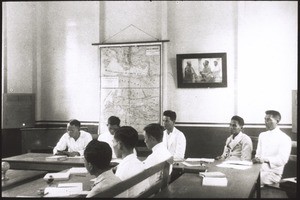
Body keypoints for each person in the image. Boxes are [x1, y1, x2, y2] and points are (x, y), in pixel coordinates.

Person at [252, 110, 292, 187]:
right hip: (258, 170)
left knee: (250, 181)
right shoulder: (262, 135)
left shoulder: (285, 138)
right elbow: (258, 154)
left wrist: (264, 160)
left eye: (269, 120)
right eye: (265, 119)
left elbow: (282, 159)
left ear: (277, 121)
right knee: (242, 176)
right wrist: (256, 159)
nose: (266, 122)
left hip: (273, 173)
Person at [113, 126, 150, 197]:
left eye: (113, 141)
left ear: (120, 144)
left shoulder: (122, 172)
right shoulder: (139, 163)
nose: (113, 145)